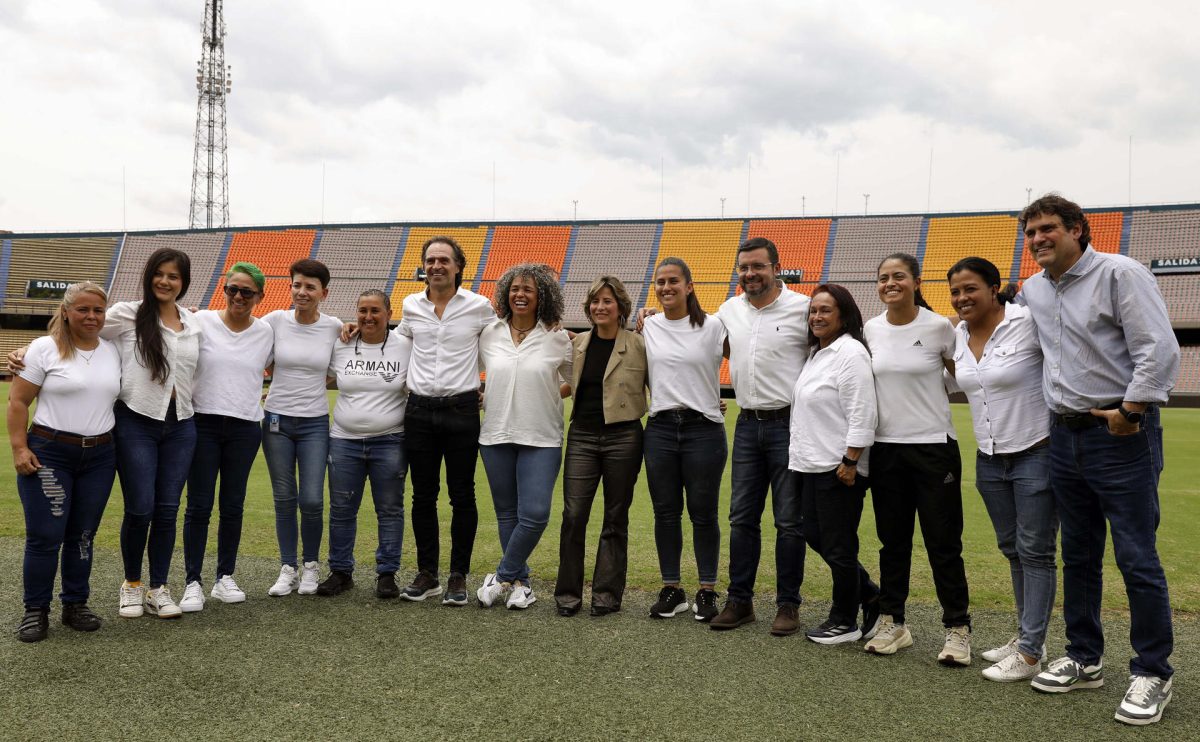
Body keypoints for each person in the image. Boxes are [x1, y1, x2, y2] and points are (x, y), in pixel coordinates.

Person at [1018, 194, 1179, 726]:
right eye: (1031, 232)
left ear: (1077, 230)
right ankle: (1086, 658)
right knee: (1079, 554)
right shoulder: (1033, 289)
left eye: (1048, 229)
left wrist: (1130, 411)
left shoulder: (1119, 273)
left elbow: (1157, 347)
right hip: (1063, 436)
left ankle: (1153, 670)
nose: (1038, 238)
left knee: (1136, 556)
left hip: (1119, 433)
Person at [947, 257, 1056, 682]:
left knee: (1036, 552)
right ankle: (1030, 636)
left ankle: (1030, 654)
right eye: (955, 291)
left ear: (994, 288)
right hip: (989, 457)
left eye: (970, 288)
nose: (961, 298)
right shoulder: (957, 334)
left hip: (1036, 451)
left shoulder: (1028, 322)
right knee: (1012, 548)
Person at [863, 252, 972, 665]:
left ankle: (958, 629)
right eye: (884, 277)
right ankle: (894, 622)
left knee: (943, 543)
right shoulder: (870, 330)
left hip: (933, 447)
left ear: (916, 281)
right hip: (886, 447)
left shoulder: (939, 326)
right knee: (892, 542)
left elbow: (960, 375)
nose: (890, 283)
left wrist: (933, 392)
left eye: (899, 277)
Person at [7, 282, 120, 642]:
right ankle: (35, 610)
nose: (91, 317)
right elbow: (18, 402)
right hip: (51, 453)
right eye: (83, 310)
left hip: (100, 456)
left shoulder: (113, 350)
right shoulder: (44, 349)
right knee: (45, 536)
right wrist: (19, 448)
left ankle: (75, 604)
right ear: (67, 312)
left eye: (98, 310)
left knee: (83, 535)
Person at [710, 237, 811, 635]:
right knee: (741, 518)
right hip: (747, 423)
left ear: (775, 267)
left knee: (789, 521)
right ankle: (740, 601)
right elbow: (695, 342)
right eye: (743, 268)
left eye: (757, 267)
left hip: (790, 423)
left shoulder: (803, 308)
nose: (750, 274)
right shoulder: (728, 310)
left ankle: (788, 605)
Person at [396, 236, 496, 606]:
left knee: (462, 495)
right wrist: (355, 331)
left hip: (461, 410)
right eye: (431, 260)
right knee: (422, 495)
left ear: (458, 267)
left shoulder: (479, 306)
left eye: (444, 260)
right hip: (419, 411)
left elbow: (500, 345)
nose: (436, 266)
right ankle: (427, 574)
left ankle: (458, 575)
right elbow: (396, 344)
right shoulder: (410, 306)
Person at [475, 263, 572, 609]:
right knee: (507, 514)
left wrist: (545, 393)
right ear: (505, 293)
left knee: (534, 514)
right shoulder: (489, 333)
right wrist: (482, 394)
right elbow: (467, 371)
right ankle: (522, 584)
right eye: (515, 288)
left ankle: (501, 576)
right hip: (495, 434)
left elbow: (575, 382)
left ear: (542, 296)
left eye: (528, 289)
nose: (520, 294)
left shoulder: (558, 337)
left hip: (542, 436)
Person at [179, 262, 274, 612]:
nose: (237, 296)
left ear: (259, 297)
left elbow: (293, 364)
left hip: (245, 428)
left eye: (246, 292)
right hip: (202, 422)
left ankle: (225, 577)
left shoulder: (266, 331)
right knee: (199, 506)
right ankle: (192, 582)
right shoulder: (199, 320)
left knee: (233, 506)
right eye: (232, 289)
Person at [789, 284, 881, 645]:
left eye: (825, 310)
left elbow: (863, 411)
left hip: (839, 467)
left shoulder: (850, 352)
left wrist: (850, 461)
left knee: (840, 545)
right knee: (814, 535)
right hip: (811, 464)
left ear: (843, 314)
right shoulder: (818, 354)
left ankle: (844, 619)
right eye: (813, 310)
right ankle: (871, 594)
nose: (816, 316)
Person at [553, 275, 647, 617]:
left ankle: (606, 595)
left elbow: (665, 381)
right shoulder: (577, 345)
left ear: (621, 306)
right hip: (583, 436)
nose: (600, 307)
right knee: (574, 516)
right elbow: (567, 386)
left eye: (607, 301)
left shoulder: (639, 343)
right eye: (595, 302)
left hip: (624, 437)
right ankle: (567, 594)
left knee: (615, 517)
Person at [641, 257, 728, 622]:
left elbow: (753, 361)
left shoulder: (714, 326)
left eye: (674, 281)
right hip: (660, 427)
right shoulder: (646, 326)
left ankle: (707, 591)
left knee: (703, 513)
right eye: (660, 282)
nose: (666, 287)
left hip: (703, 428)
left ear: (690, 286)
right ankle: (672, 588)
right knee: (665, 513)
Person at [317, 290, 412, 599]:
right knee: (342, 509)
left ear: (389, 312)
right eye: (362, 311)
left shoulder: (406, 346)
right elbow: (320, 377)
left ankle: (386, 574)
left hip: (391, 440)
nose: (368, 317)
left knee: (390, 509)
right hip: (344, 441)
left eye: (375, 311)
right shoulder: (341, 344)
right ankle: (341, 571)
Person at [261, 259, 344, 597]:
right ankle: (287, 567)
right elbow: (255, 358)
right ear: (290, 287)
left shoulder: (334, 327)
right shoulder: (273, 322)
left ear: (323, 292)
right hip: (276, 420)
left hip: (313, 422)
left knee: (311, 499)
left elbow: (337, 371)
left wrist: (308, 387)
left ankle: (310, 565)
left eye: (310, 287)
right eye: (297, 285)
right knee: (284, 498)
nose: (302, 291)